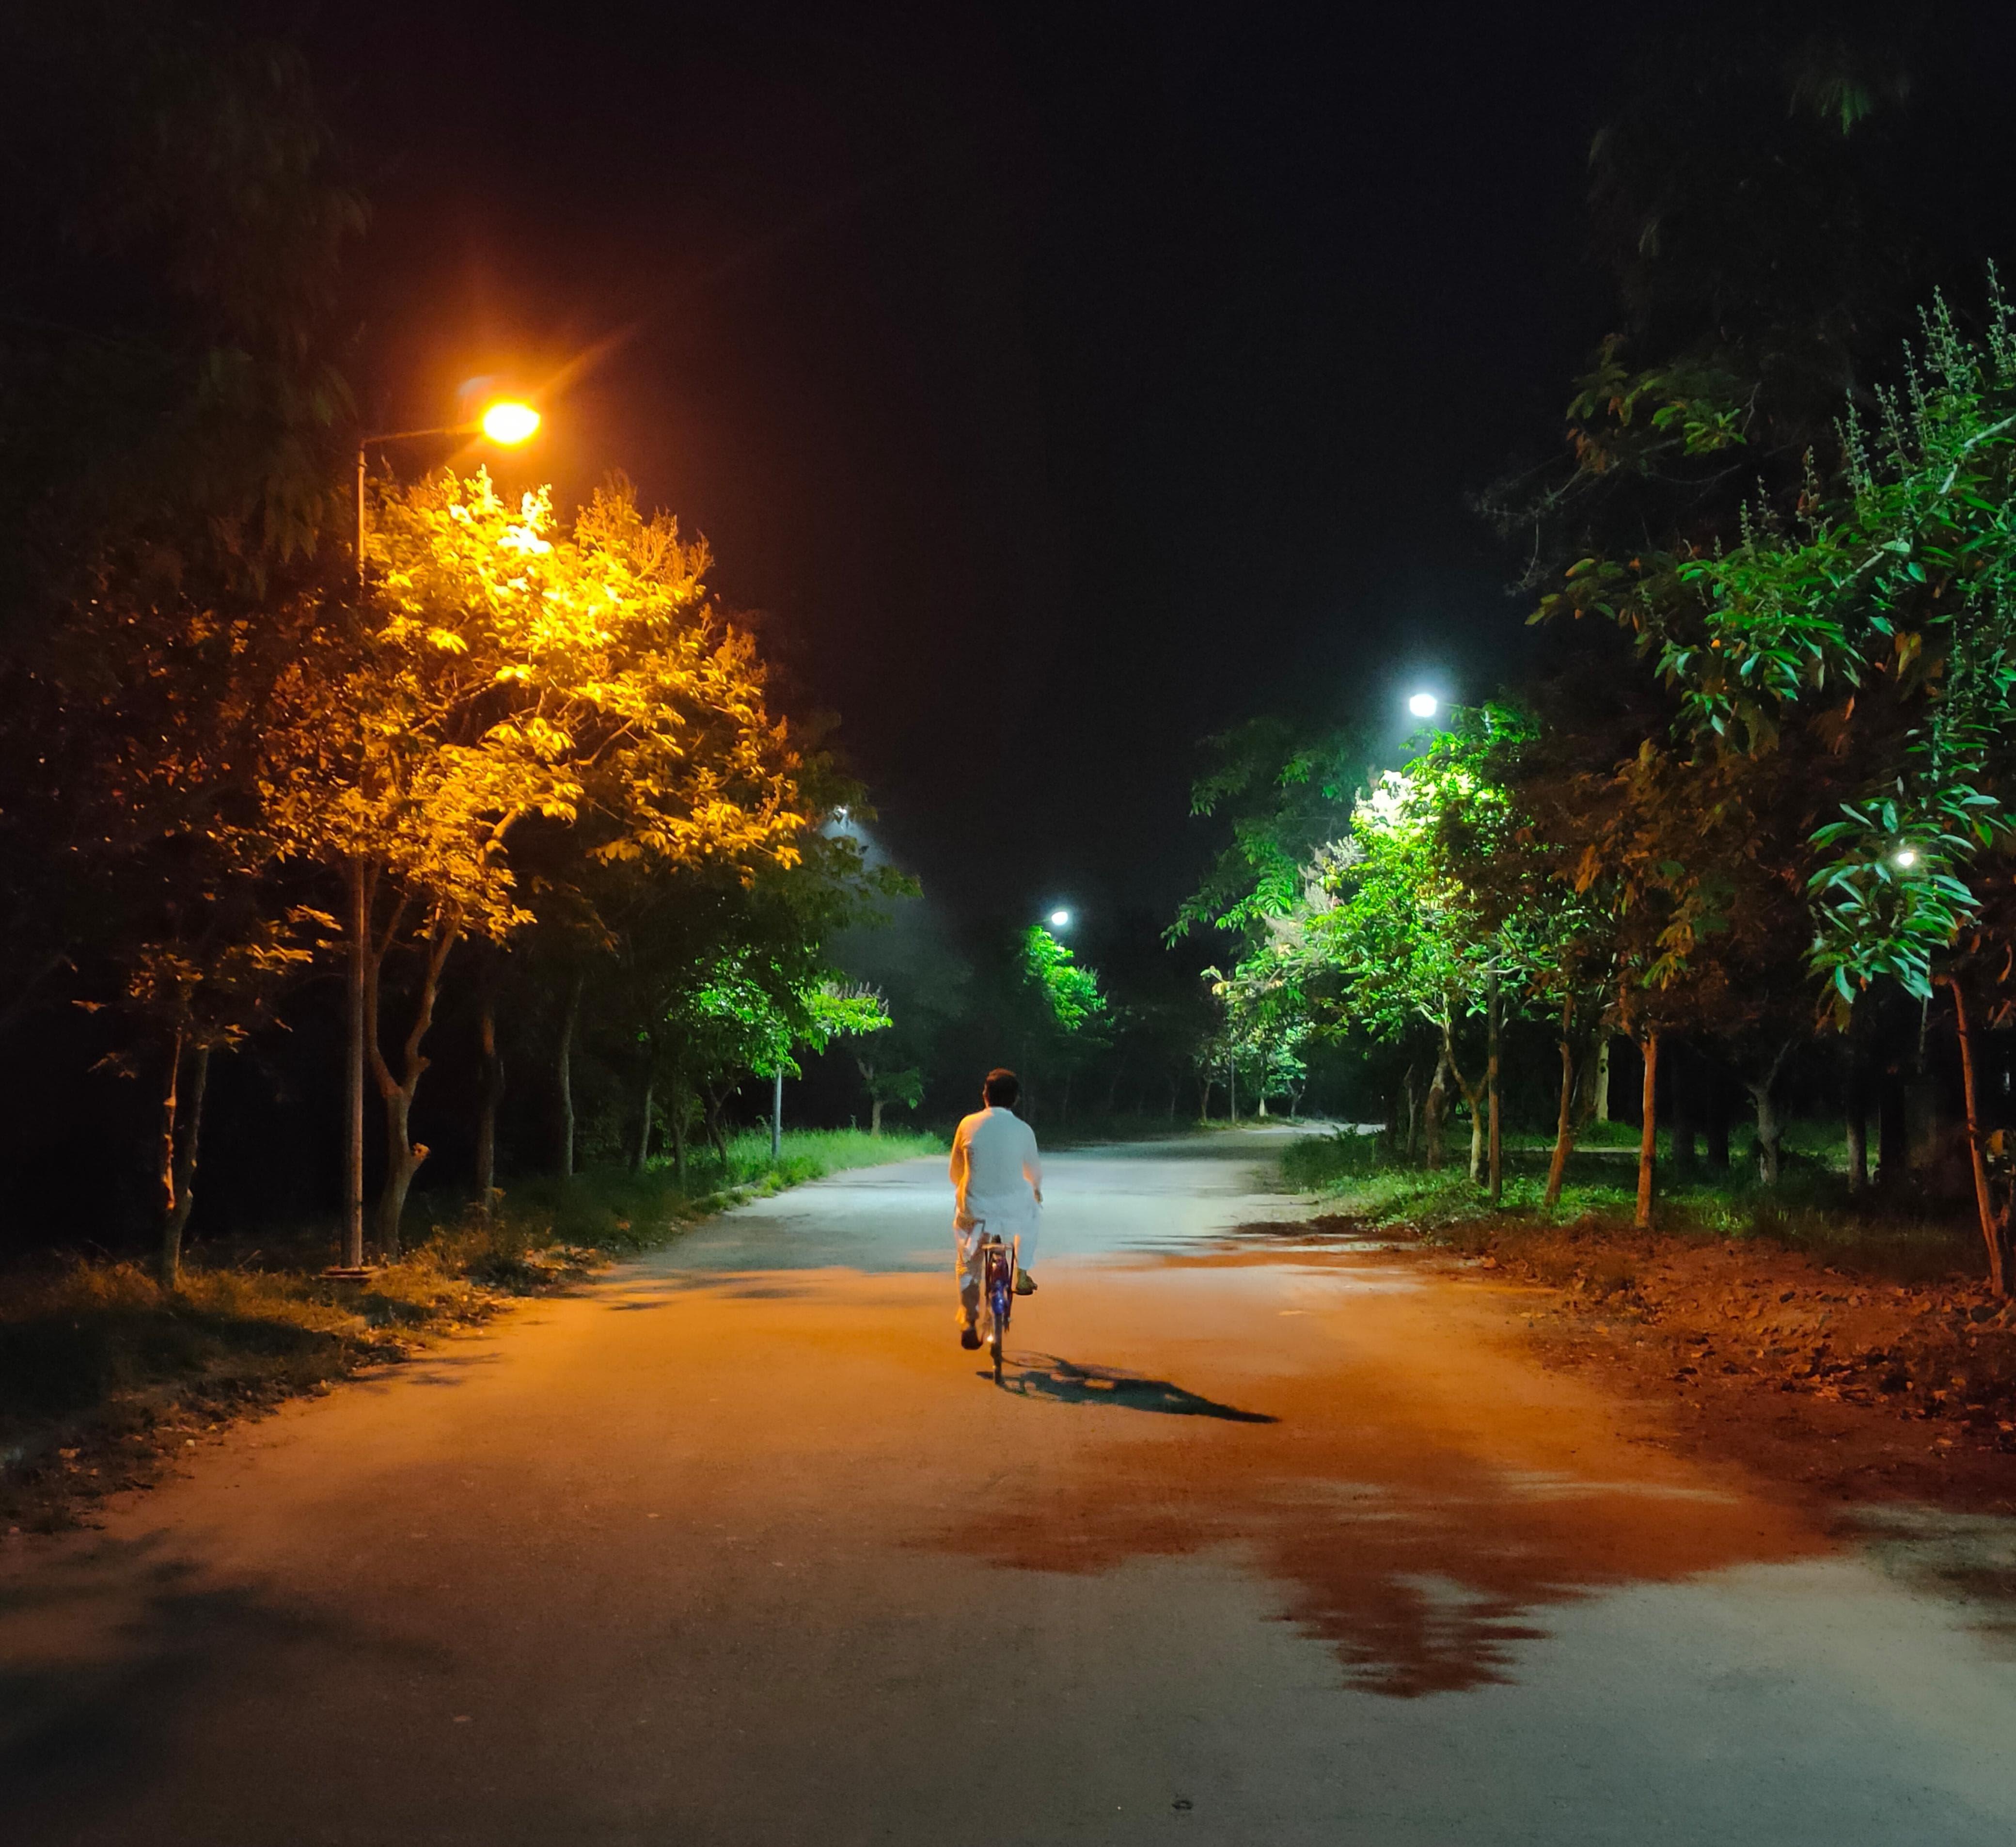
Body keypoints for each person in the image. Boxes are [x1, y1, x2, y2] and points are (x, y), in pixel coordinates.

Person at [947, 1068, 1043, 1351]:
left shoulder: (968, 1125)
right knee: (1033, 1210)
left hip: (975, 1210)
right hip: (1013, 1208)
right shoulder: (1024, 1130)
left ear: (985, 1095)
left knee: (968, 1261)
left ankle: (969, 1321)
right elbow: (1034, 1173)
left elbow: (956, 1171)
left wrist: (965, 1186)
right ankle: (1022, 1271)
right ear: (1015, 1100)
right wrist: (1034, 1188)